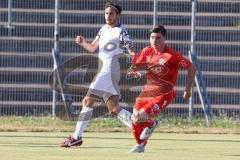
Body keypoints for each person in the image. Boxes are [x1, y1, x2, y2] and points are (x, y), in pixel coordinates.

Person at [60, 2, 135, 147]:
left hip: (109, 70)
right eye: (106, 13)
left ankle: (76, 137)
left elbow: (130, 49)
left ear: (118, 15)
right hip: (106, 72)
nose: (108, 16)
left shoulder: (121, 30)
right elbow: (93, 47)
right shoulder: (103, 29)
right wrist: (83, 43)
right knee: (114, 109)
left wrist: (136, 63)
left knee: (87, 102)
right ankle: (142, 127)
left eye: (111, 13)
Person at [127, 25, 196, 153]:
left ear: (164, 39)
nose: (154, 41)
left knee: (140, 116)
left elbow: (191, 67)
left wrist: (187, 89)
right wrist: (133, 70)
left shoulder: (171, 55)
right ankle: (140, 145)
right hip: (147, 91)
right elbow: (135, 65)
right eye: (152, 37)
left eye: (158, 38)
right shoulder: (147, 51)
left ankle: (152, 124)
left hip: (163, 93)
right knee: (135, 118)